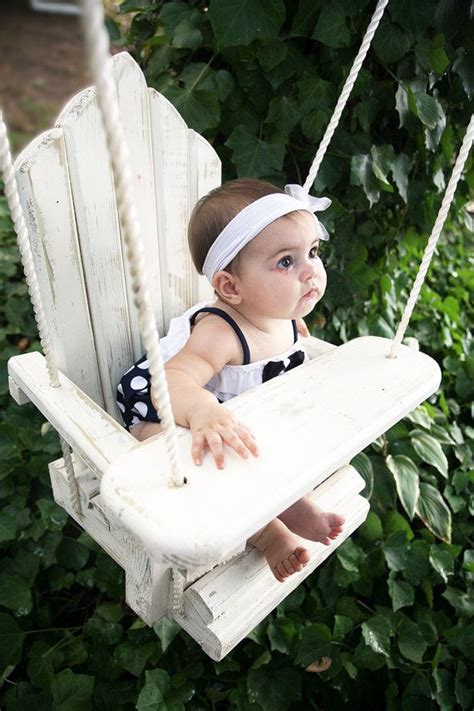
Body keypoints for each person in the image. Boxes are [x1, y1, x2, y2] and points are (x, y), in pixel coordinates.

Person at [117, 178, 345, 582]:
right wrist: (203, 409)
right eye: (287, 262)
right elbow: (171, 380)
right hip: (169, 404)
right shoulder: (220, 333)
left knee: (264, 447)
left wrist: (293, 318)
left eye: (312, 252)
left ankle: (292, 501)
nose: (311, 270)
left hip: (240, 408)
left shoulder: (280, 311)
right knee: (199, 466)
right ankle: (268, 534)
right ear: (230, 287)